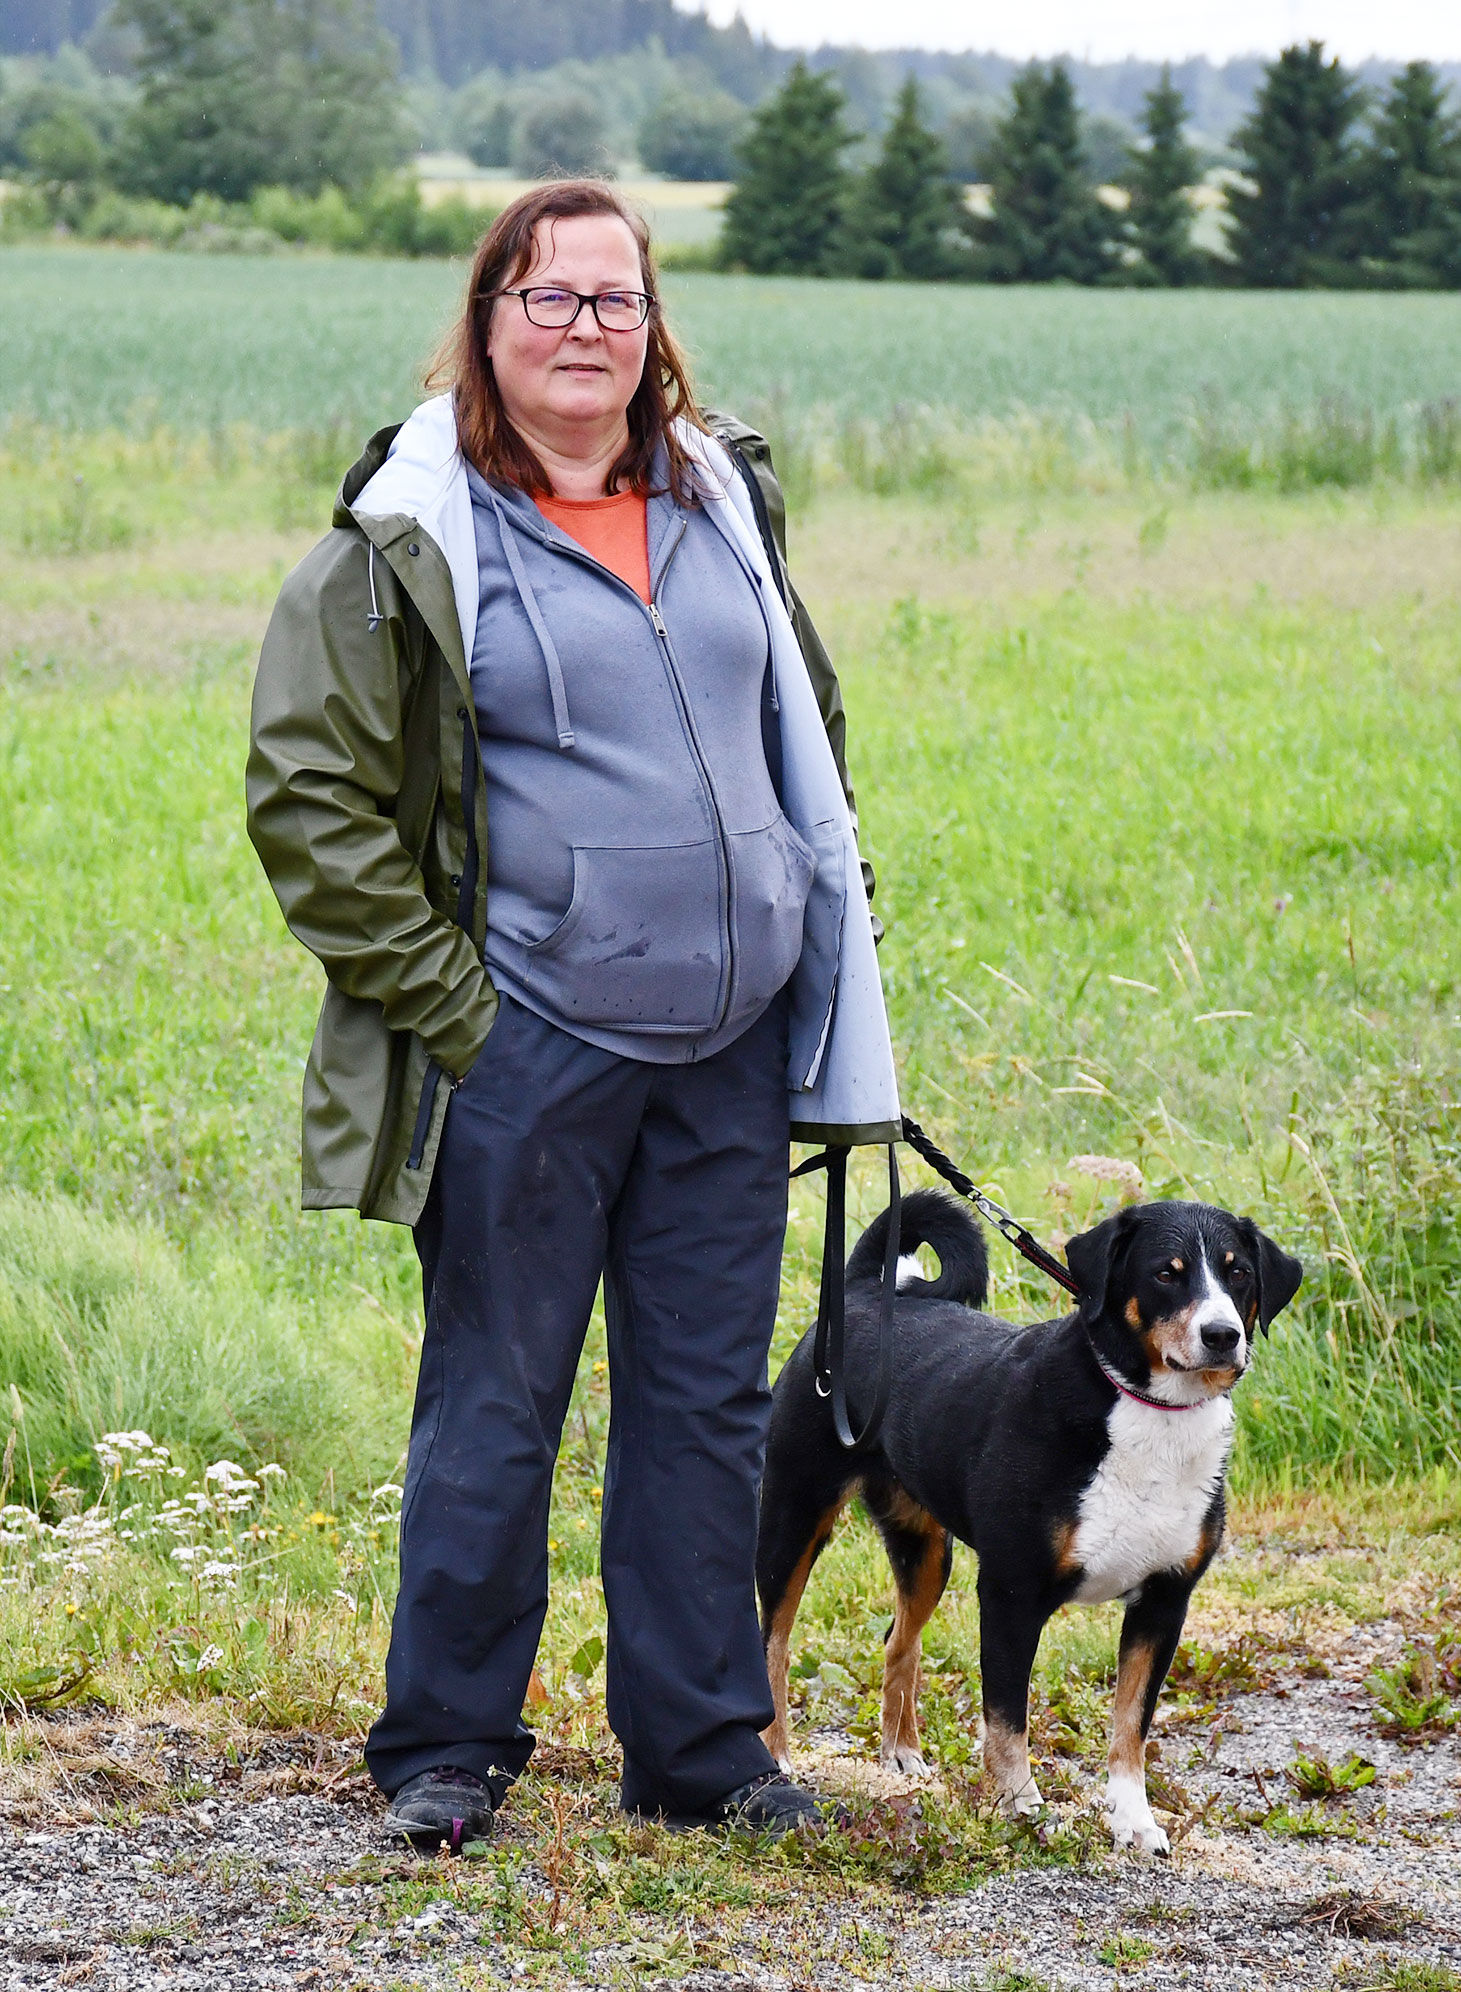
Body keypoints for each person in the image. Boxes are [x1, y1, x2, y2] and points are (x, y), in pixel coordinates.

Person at [246, 180, 900, 1849]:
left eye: (615, 301)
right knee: (498, 1396)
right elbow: (308, 801)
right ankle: (446, 1749)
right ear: (485, 325)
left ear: (652, 327)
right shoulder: (406, 537)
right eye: (547, 300)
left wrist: (814, 913)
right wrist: (464, 1018)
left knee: (699, 1406)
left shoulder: (720, 501)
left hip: (730, 1050)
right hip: (529, 1047)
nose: (584, 332)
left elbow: (794, 730)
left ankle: (699, 1752)